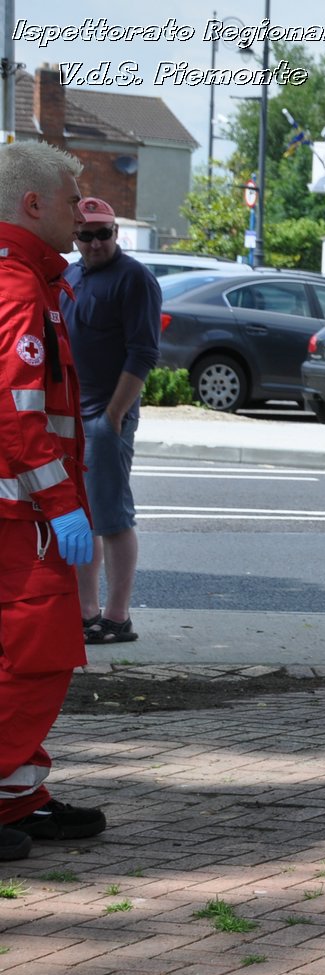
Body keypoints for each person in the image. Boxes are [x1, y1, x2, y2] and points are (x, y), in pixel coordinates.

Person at [0, 141, 106, 862]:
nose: (84, 213)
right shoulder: (16, 286)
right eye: (72, 199)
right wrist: (62, 505)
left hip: (27, 511)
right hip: (24, 516)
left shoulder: (31, 281)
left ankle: (20, 795)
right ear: (34, 204)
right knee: (35, 658)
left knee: (27, 657)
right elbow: (18, 410)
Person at [61, 197, 161, 645]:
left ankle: (117, 617)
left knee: (112, 516)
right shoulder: (70, 274)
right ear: (76, 237)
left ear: (116, 232)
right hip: (70, 417)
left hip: (105, 416)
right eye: (87, 234)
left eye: (105, 233)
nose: (97, 242)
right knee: (81, 515)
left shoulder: (135, 278)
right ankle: (86, 612)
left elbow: (144, 352)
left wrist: (115, 415)